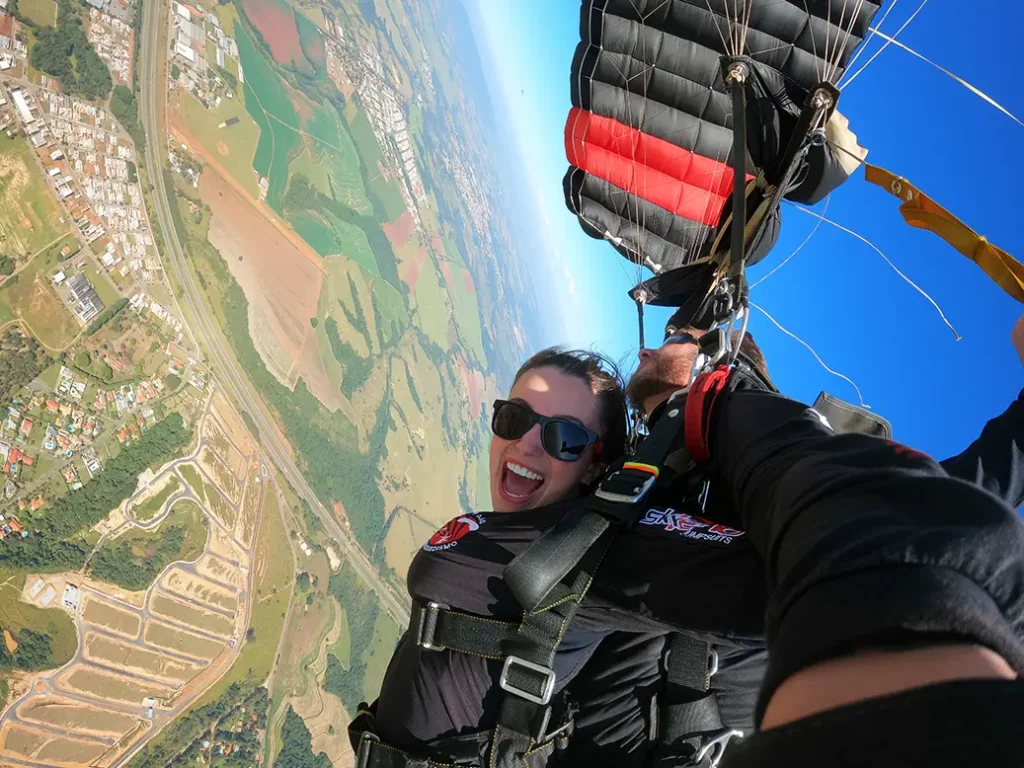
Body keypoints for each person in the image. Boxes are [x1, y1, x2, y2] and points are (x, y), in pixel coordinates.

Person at [352, 313, 1024, 768]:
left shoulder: (576, 556)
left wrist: (711, 397)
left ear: (599, 466)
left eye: (562, 435)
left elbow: (880, 545)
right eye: (515, 416)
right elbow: (900, 527)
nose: (527, 442)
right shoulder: (547, 556)